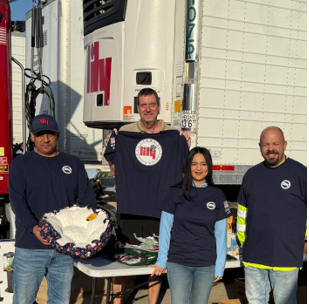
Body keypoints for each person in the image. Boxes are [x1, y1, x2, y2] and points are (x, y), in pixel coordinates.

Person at [105, 88, 190, 304]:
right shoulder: (124, 133)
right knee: (123, 258)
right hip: (130, 207)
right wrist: (113, 142)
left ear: (159, 106)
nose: (148, 109)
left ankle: (152, 303)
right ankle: (117, 302)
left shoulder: (173, 134)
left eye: (152, 104)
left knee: (156, 260)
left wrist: (183, 144)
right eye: (143, 105)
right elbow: (115, 170)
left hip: (161, 208)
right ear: (138, 108)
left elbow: (182, 171)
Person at [9, 114, 97, 304]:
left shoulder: (73, 164)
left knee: (60, 301)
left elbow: (87, 202)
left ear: (58, 135)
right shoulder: (21, 165)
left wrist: (84, 230)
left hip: (64, 249)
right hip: (30, 248)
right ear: (32, 136)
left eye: (50, 133)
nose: (45, 139)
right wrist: (34, 227)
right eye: (40, 134)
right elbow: (17, 201)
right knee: (23, 300)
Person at [150, 147, 230, 304]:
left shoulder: (217, 195)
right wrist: (161, 260)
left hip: (206, 264)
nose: (199, 168)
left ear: (209, 167)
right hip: (178, 262)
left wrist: (220, 266)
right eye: (194, 164)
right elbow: (165, 229)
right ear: (188, 166)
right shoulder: (175, 193)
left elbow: (221, 234)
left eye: (203, 164)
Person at [237, 126, 307, 304]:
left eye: (275, 143)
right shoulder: (251, 175)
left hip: (286, 258)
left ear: (284, 145)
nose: (271, 148)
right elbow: (241, 216)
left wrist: (304, 241)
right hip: (254, 258)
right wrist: (245, 244)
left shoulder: (301, 174)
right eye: (266, 144)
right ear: (260, 146)